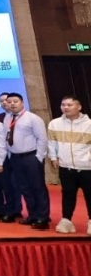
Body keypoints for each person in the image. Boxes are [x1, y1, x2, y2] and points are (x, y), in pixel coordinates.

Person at [48, 96, 91, 234]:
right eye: (63, 105)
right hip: (66, 167)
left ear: (79, 107)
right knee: (67, 194)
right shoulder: (55, 124)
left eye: (70, 105)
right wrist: (53, 157)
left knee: (89, 195)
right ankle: (66, 221)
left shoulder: (89, 124)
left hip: (87, 167)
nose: (66, 107)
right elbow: (51, 143)